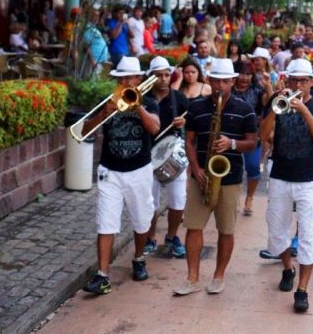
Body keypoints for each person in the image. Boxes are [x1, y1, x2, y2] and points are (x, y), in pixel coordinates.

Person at [174, 58, 257, 296]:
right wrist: (196, 168)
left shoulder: (245, 109)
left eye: (225, 81)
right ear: (209, 81)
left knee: (226, 230)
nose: (220, 86)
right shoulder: (197, 107)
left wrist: (231, 143)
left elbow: (252, 143)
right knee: (193, 227)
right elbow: (188, 140)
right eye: (216, 81)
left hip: (229, 177)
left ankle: (218, 276)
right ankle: (192, 278)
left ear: (232, 81)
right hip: (200, 175)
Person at [81, 56, 161, 295]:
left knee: (141, 220)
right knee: (106, 222)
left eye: (131, 77)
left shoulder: (149, 101)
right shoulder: (106, 101)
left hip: (139, 170)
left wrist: (139, 109)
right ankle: (102, 275)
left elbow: (155, 128)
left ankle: (138, 258)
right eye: (123, 78)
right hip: (110, 171)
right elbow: (85, 131)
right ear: (117, 80)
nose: (127, 81)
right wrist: (102, 114)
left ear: (139, 79)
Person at [260, 58, 313, 313]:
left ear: (312, 82)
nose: (299, 84)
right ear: (287, 80)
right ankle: (288, 269)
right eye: (294, 80)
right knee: (277, 232)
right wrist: (274, 107)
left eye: (304, 80)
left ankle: (302, 289)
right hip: (280, 175)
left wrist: (303, 110)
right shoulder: (278, 101)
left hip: (307, 180)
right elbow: (263, 134)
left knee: (308, 234)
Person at [144, 56, 189, 258]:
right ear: (151, 77)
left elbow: (191, 122)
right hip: (147, 156)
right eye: (158, 75)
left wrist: (183, 122)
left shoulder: (179, 98)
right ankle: (150, 238)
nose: (163, 79)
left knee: (178, 200)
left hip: (173, 156)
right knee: (149, 202)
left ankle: (172, 236)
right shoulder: (142, 98)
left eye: (166, 75)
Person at [231, 60, 267, 215]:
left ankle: (250, 196)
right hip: (231, 134)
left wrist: (269, 86)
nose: (244, 78)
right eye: (241, 73)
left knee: (253, 167)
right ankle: (231, 198)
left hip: (252, 135)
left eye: (248, 74)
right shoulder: (229, 90)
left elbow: (269, 105)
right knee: (231, 168)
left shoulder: (258, 91)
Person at [81, 9, 109, 77]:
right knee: (93, 82)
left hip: (99, 61)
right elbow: (86, 46)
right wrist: (92, 61)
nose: (97, 18)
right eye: (95, 16)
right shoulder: (88, 28)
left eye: (98, 16)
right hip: (94, 61)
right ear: (89, 16)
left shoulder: (94, 28)